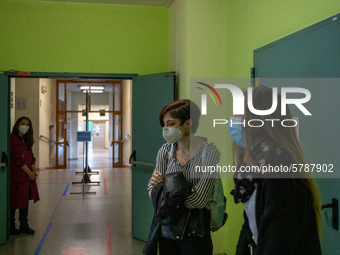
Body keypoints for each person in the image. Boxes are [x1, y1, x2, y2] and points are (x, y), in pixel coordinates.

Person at [229, 85, 321, 255]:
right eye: (235, 114)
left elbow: (278, 242)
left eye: (241, 115)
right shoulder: (253, 161)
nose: (234, 120)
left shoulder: (279, 166)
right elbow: (249, 227)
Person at [144, 99, 221, 255]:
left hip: (195, 233)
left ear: (188, 124)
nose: (165, 129)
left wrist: (166, 191)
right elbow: (152, 191)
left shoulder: (209, 153)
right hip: (167, 232)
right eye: (164, 124)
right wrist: (186, 190)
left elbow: (199, 200)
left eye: (170, 124)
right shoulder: (165, 151)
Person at [10, 116, 40, 235]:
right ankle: (11, 225)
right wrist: (29, 173)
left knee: (24, 201)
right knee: (14, 201)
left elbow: (31, 157)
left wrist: (32, 170)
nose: (25, 126)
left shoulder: (27, 141)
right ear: (17, 126)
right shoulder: (13, 140)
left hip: (26, 177)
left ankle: (24, 224)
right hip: (17, 176)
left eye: (27, 125)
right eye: (23, 124)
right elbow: (18, 159)